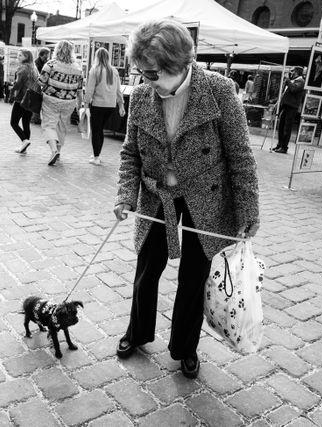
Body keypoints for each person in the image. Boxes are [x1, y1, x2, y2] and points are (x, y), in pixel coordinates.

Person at [113, 19, 259, 379]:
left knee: (194, 278)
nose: (144, 79)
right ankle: (137, 332)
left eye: (150, 72)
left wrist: (248, 208)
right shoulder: (143, 94)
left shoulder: (220, 90)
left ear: (176, 65)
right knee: (147, 270)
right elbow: (131, 152)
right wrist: (125, 195)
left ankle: (185, 348)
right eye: (141, 71)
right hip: (156, 195)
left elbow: (241, 155)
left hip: (207, 198)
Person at [38, 40, 84, 165]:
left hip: (51, 100)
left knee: (49, 125)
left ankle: (53, 151)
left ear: (57, 50)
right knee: (62, 127)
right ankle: (58, 153)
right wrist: (80, 105)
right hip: (69, 102)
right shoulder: (77, 68)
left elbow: (41, 82)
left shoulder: (50, 65)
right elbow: (79, 89)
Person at [83, 47, 125, 165]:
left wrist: (86, 104)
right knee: (100, 129)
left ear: (96, 57)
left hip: (98, 104)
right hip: (111, 106)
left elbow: (90, 89)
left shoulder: (95, 70)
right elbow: (118, 90)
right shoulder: (114, 71)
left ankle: (96, 157)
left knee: (96, 131)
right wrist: (121, 105)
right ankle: (97, 154)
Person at [10, 49, 38, 154]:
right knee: (26, 123)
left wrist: (11, 93)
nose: (18, 57)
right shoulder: (34, 68)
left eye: (20, 55)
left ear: (26, 57)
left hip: (21, 98)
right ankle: (24, 148)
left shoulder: (22, 68)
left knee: (13, 123)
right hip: (30, 99)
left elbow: (18, 84)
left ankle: (24, 140)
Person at [273, 66, 305, 153]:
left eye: (292, 71)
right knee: (281, 126)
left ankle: (284, 147)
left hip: (292, 107)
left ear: (297, 72)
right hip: (286, 106)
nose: (291, 72)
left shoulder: (301, 81)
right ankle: (279, 145)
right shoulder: (293, 81)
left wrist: (288, 81)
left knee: (287, 128)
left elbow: (293, 89)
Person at [31, 47, 50, 124]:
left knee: (39, 101)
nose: (48, 56)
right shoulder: (36, 63)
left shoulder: (44, 62)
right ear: (43, 54)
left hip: (42, 84)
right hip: (37, 84)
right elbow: (38, 75)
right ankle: (34, 118)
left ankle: (36, 117)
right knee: (36, 100)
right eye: (47, 54)